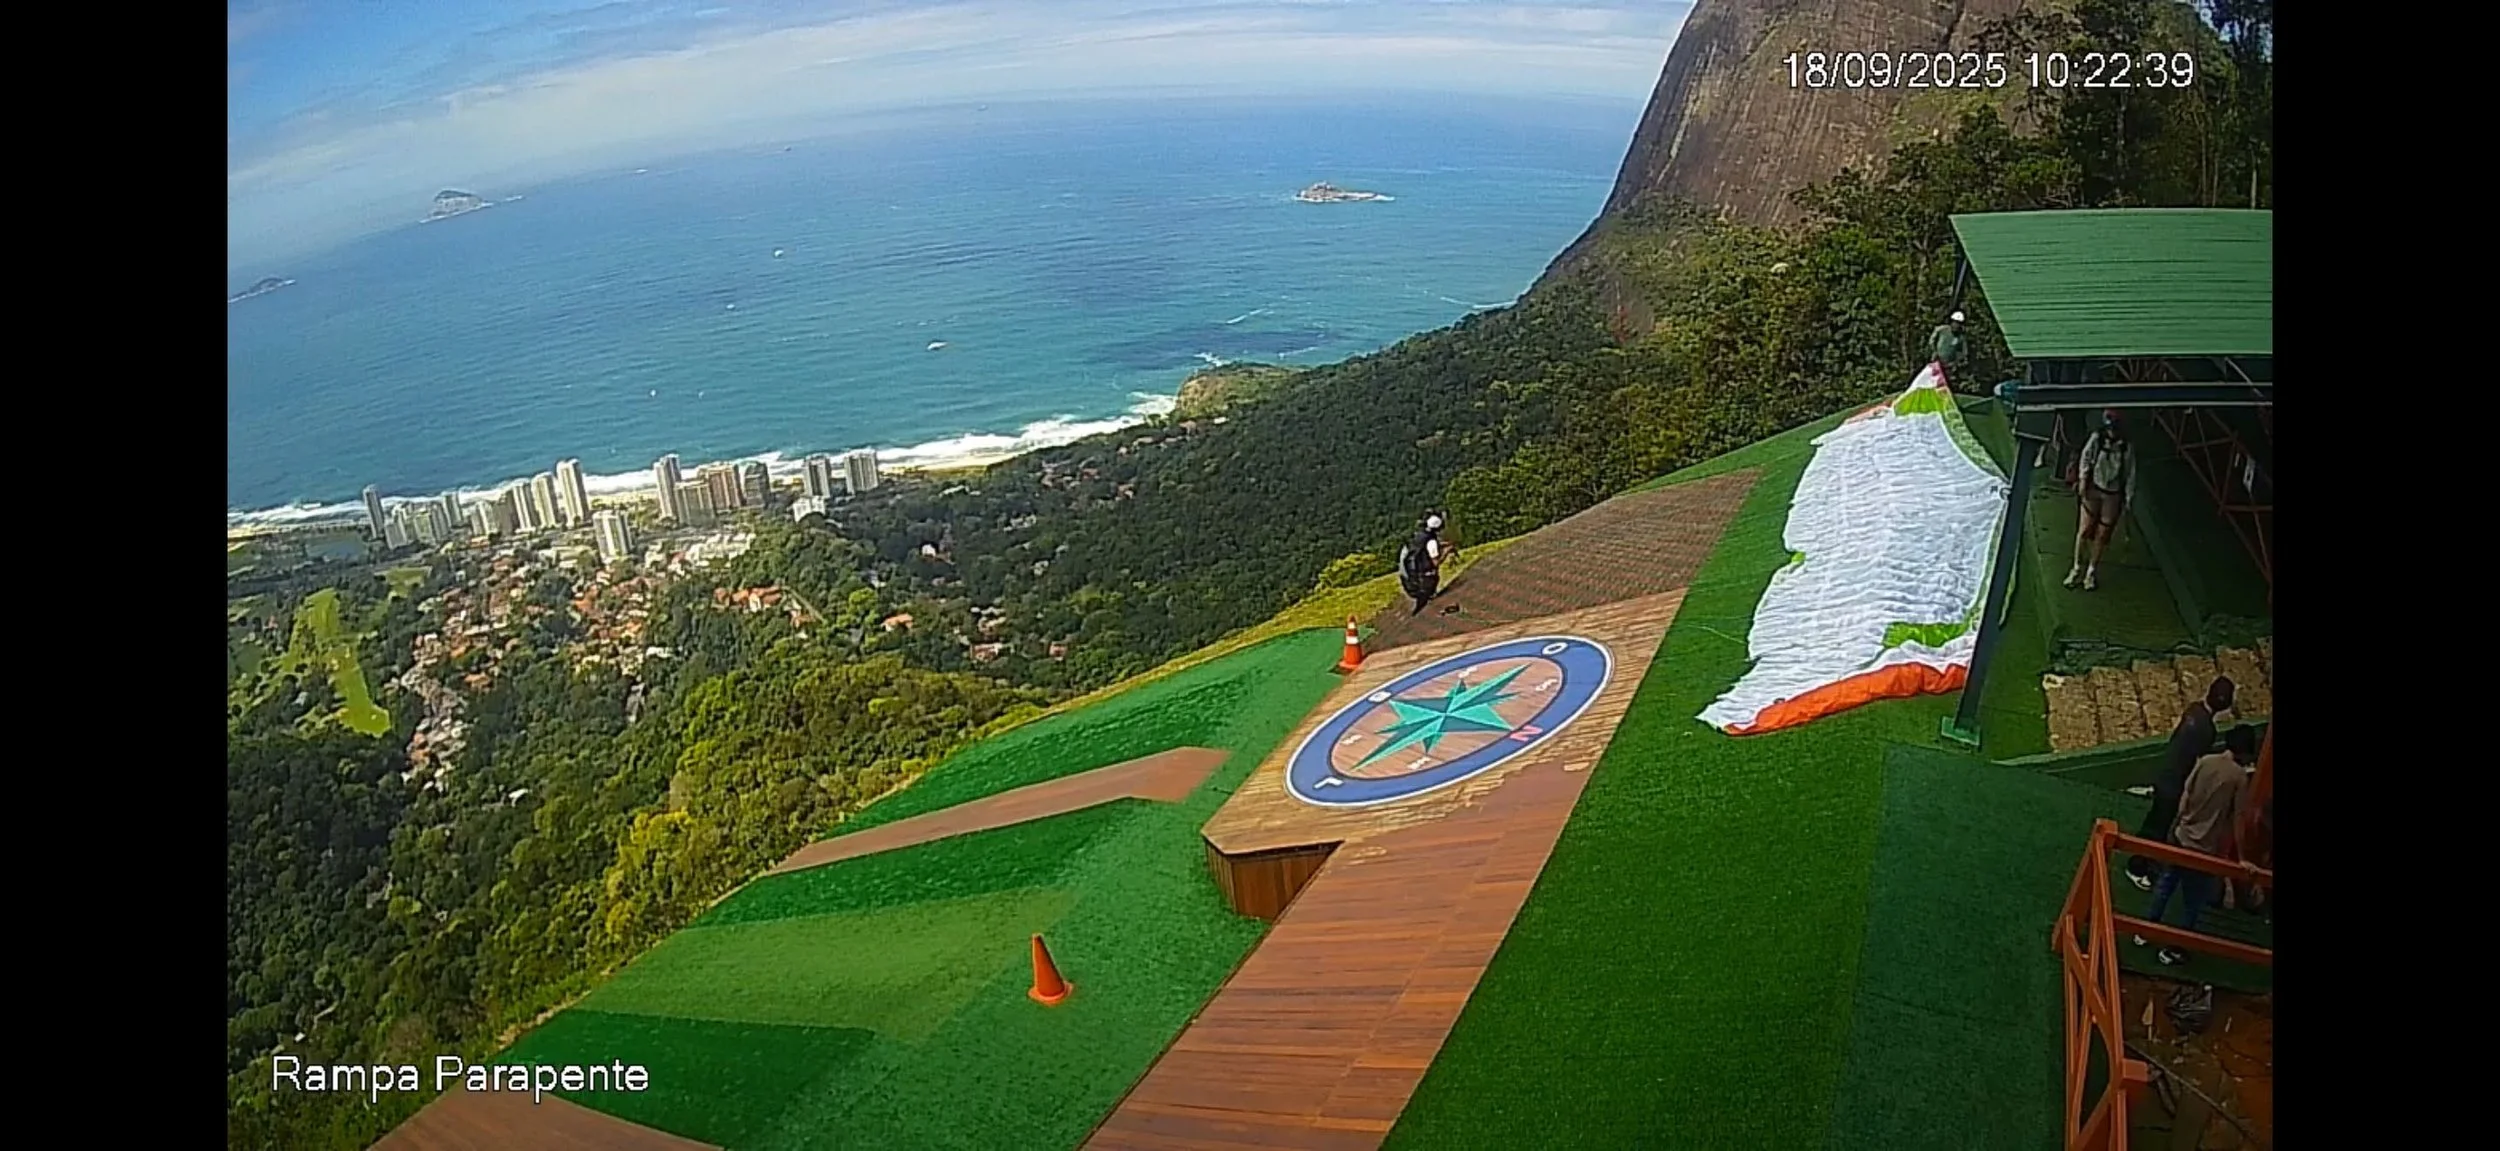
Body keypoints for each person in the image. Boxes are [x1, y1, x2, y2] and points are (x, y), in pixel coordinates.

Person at [2138, 723, 2260, 965]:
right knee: (2192, 902)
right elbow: (2237, 819)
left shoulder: (2204, 761)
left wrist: (2182, 823)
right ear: (2246, 752)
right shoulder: (2238, 778)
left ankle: (2145, 930)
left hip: (2183, 836)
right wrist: (2242, 856)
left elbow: (2186, 794)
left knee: (2165, 886)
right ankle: (2175, 948)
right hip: (2204, 848)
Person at [2126, 676, 2235, 888]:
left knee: (2156, 822)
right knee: (2158, 827)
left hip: (2167, 775)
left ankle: (2142, 860)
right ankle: (2137, 866)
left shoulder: (2193, 711)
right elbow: (2196, 764)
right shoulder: (2207, 730)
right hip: (2175, 784)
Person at [2065, 409, 2137, 591]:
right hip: (2094, 488)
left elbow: (2130, 473)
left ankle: (2091, 571)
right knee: (2084, 530)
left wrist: (2128, 498)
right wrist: (2082, 480)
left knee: (2102, 535)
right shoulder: (2097, 439)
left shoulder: (2126, 446)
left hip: (2113, 493)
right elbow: (2086, 458)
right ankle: (2076, 568)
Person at [1398, 513, 1448, 615]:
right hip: (1425, 583)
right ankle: (1429, 597)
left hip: (1412, 583)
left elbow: (1424, 549)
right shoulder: (1431, 541)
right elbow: (1436, 562)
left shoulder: (1418, 537)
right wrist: (1447, 551)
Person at [1929, 310, 1966, 377]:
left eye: (1958, 323)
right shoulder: (1942, 330)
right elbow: (1932, 340)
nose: (1956, 325)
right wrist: (1934, 351)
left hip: (1948, 367)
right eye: (1955, 322)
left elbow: (1962, 352)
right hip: (1936, 361)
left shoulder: (1960, 337)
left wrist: (1955, 363)